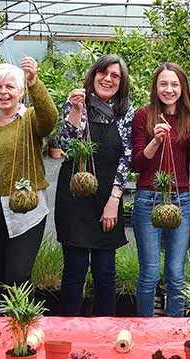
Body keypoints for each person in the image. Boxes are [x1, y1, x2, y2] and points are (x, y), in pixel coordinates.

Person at [0, 59, 58, 302]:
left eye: (10, 87)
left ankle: (21, 330)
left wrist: (34, 81)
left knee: (18, 275)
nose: (3, 93)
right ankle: (1, 334)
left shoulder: (30, 119)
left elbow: (50, 119)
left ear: (20, 92)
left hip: (26, 209)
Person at [55, 54, 134, 316]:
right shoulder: (76, 102)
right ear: (94, 74)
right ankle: (67, 332)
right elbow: (66, 146)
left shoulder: (125, 112)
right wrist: (76, 110)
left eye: (115, 76)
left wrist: (114, 201)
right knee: (74, 270)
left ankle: (105, 334)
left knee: (105, 271)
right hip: (74, 198)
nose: (108, 79)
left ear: (121, 83)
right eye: (103, 73)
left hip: (107, 198)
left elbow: (127, 157)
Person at [131, 63, 190, 317]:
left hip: (182, 198)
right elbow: (137, 163)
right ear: (155, 87)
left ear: (182, 88)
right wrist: (156, 141)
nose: (169, 89)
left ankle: (175, 328)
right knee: (149, 271)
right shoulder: (143, 115)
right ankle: (145, 329)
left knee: (176, 273)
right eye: (163, 84)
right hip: (148, 197)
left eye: (174, 84)